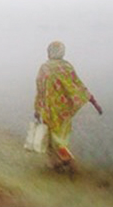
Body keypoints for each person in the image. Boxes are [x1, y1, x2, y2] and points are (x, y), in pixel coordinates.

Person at [34, 40, 102, 171]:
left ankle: (66, 160)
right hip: (64, 110)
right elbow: (78, 85)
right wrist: (94, 102)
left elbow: (40, 89)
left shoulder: (45, 68)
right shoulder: (67, 67)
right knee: (61, 137)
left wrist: (37, 109)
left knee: (54, 139)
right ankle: (56, 164)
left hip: (50, 110)